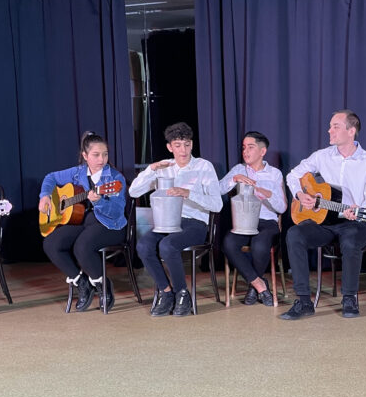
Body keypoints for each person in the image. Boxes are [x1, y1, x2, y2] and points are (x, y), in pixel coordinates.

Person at [280, 109, 366, 320]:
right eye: (330, 126)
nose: (329, 130)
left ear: (351, 131)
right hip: (325, 222)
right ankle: (304, 301)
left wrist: (359, 212)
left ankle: (349, 298)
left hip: (356, 222)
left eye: (335, 126)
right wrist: (300, 195)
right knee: (294, 234)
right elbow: (292, 176)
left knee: (350, 239)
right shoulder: (321, 156)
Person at [129, 122, 222, 317]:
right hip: (166, 222)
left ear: (192, 144)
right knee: (143, 246)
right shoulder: (164, 167)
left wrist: (188, 193)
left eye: (187, 144)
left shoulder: (204, 166)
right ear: (170, 147)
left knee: (167, 245)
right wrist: (151, 169)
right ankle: (166, 292)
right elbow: (133, 191)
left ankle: (182, 293)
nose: (183, 150)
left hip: (195, 223)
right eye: (178, 145)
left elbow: (217, 205)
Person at [38, 132, 127, 312]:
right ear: (85, 156)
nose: (102, 159)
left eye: (105, 154)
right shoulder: (78, 172)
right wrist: (45, 196)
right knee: (51, 243)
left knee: (82, 246)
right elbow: (50, 177)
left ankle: (103, 285)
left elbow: (116, 212)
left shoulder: (115, 179)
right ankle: (82, 283)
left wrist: (99, 202)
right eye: (96, 155)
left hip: (112, 226)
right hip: (87, 224)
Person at [219, 131, 287, 306]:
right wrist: (234, 179)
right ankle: (259, 285)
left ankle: (252, 287)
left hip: (267, 222)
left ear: (262, 151)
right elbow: (218, 190)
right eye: (243, 148)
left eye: (250, 147)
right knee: (229, 243)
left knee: (260, 245)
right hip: (243, 221)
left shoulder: (275, 174)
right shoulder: (238, 169)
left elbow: (282, 207)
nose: (245, 151)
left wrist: (263, 192)